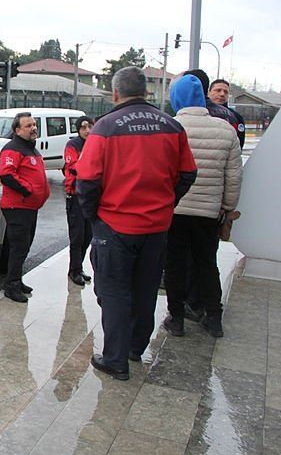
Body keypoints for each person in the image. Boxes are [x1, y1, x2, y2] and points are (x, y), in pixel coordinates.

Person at [76, 66, 197, 380]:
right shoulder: (172, 126)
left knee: (114, 291)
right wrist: (168, 202)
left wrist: (95, 217)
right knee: (145, 289)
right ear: (146, 92)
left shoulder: (105, 127)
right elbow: (188, 174)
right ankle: (134, 348)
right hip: (156, 227)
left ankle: (115, 359)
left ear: (116, 93)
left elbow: (86, 181)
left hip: (116, 226)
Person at [162, 74, 242, 339]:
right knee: (207, 264)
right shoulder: (225, 129)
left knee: (174, 265)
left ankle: (177, 318)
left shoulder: (171, 126)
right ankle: (214, 318)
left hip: (175, 210)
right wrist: (227, 207)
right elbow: (233, 176)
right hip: (209, 212)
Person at [0, 112, 51, 303]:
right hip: (17, 207)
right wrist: (28, 191)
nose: (33, 128)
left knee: (25, 246)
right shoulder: (13, 149)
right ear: (18, 130)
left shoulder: (31, 149)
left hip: (29, 207)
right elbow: (7, 175)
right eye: (28, 126)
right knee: (19, 247)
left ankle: (16, 280)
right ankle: (11, 285)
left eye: (34, 124)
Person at [63, 116, 94, 286]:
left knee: (88, 235)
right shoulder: (72, 145)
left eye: (90, 126)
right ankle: (74, 270)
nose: (87, 130)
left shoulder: (95, 144)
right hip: (75, 195)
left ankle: (78, 266)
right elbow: (74, 167)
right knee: (77, 236)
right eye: (83, 127)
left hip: (90, 195)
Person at [208, 78, 246, 149]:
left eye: (225, 92)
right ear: (209, 92)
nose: (222, 94)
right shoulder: (202, 112)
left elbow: (239, 144)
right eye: (218, 90)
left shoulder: (236, 117)